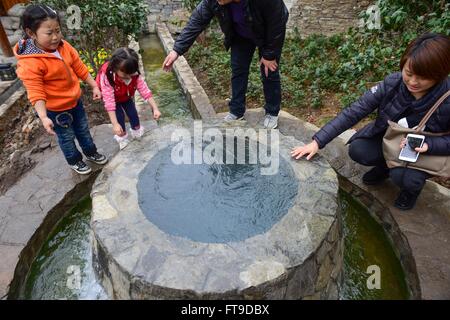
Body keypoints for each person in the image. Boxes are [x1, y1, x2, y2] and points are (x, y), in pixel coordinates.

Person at [291, 33, 450, 210]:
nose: (413, 82)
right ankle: (385, 167)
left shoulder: (447, 99)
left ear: (439, 75)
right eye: (409, 73)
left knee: (404, 178)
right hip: (391, 139)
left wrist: (430, 145)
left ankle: (410, 191)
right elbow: (356, 110)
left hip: (422, 152)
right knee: (359, 150)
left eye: (422, 77)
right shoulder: (393, 83)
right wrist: (317, 142)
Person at [162, 0, 289, 129]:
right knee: (238, 69)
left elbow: (277, 23)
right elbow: (197, 21)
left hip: (268, 33)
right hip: (241, 35)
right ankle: (236, 111)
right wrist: (176, 50)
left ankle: (272, 112)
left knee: (269, 70)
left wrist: (269, 54)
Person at [14, 4, 108, 175]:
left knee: (83, 129)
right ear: (31, 33)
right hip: (56, 110)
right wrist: (43, 116)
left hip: (75, 102)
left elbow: (80, 68)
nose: (56, 37)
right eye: (49, 33)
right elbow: (35, 92)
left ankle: (90, 152)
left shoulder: (64, 47)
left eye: (58, 30)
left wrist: (94, 85)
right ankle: (75, 160)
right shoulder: (30, 63)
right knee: (66, 137)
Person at [96, 47, 161, 150]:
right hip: (114, 99)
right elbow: (109, 102)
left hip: (126, 95)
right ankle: (122, 138)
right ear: (115, 68)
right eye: (125, 74)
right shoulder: (108, 77)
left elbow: (144, 90)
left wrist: (155, 108)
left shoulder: (133, 74)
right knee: (119, 117)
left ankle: (137, 132)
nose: (129, 77)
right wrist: (115, 124)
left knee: (133, 113)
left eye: (131, 73)